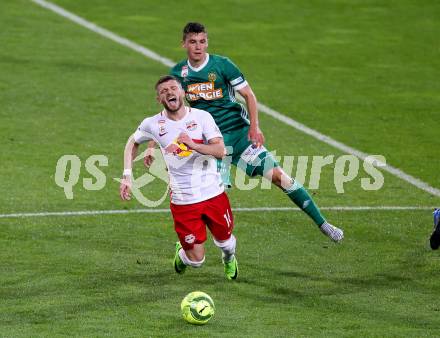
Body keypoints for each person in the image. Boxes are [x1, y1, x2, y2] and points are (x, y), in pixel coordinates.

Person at [145, 22, 343, 242]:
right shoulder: (179, 74)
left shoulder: (222, 65)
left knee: (280, 178)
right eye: (192, 42)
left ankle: (323, 223)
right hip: (211, 146)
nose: (198, 47)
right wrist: (152, 144)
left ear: (207, 42)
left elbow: (249, 95)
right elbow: (168, 111)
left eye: (202, 41)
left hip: (239, 137)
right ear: (184, 44)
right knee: (210, 196)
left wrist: (254, 127)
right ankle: (189, 244)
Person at [120, 75, 238, 280]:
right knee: (196, 261)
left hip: (214, 194)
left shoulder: (202, 117)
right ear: (159, 99)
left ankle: (228, 260)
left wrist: (193, 145)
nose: (169, 92)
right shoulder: (153, 124)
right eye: (164, 91)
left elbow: (220, 151)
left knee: (227, 244)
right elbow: (132, 142)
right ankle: (182, 255)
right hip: (184, 200)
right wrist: (127, 175)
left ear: (182, 92)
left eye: (173, 88)